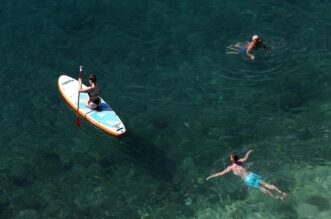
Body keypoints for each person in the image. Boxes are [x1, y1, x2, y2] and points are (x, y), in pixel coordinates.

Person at [206, 150, 287, 200]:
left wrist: (211, 176)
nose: (230, 158)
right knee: (266, 184)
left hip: (248, 180)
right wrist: (249, 152)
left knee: (262, 189)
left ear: (232, 160)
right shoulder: (240, 161)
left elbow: (220, 174)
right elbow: (246, 157)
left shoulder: (230, 167)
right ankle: (282, 192)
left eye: (231, 157)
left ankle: (278, 198)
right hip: (251, 175)